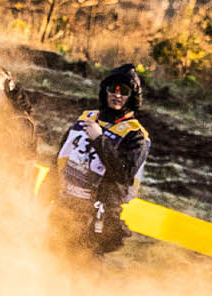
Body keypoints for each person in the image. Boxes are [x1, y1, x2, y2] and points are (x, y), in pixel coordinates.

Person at [52, 65, 149, 255]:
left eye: (124, 91)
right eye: (113, 89)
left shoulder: (136, 135)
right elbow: (61, 155)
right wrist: (48, 189)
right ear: (105, 90)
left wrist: (99, 140)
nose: (117, 95)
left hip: (98, 213)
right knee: (49, 256)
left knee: (83, 263)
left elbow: (124, 172)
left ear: (133, 96)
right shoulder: (86, 118)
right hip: (66, 204)